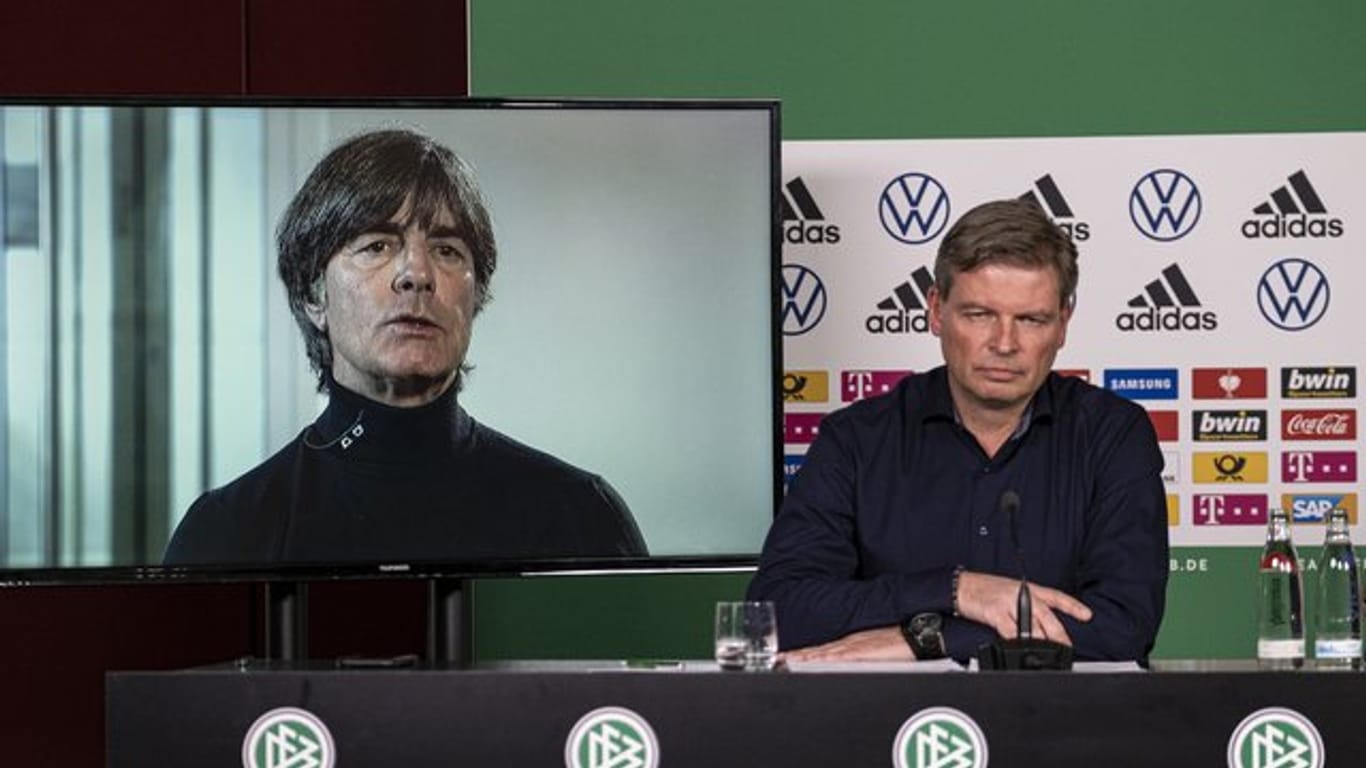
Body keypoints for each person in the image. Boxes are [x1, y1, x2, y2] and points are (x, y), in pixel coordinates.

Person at [164, 129, 646, 565]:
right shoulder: (229, 533)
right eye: (377, 245)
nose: (417, 274)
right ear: (314, 296)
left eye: (447, 250)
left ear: (475, 294)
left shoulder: (581, 518)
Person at [747, 198, 1168, 664]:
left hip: (1062, 729)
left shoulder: (1113, 435)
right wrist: (955, 590)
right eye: (979, 314)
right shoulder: (856, 439)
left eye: (1030, 319)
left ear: (1063, 325)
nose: (1004, 343)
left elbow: (1123, 627)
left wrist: (925, 638)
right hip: (883, 728)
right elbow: (779, 613)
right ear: (935, 310)